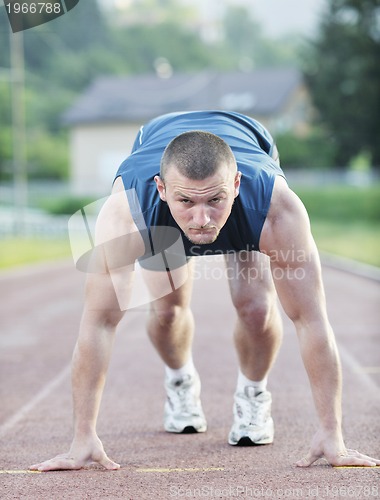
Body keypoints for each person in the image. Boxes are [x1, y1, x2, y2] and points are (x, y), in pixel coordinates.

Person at [30, 110, 379, 471]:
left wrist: (331, 432)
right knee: (168, 312)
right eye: (187, 202)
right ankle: (180, 382)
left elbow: (311, 319)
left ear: (237, 185)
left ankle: (253, 393)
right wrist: (82, 437)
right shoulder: (126, 215)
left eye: (215, 200)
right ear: (162, 189)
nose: (202, 219)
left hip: (249, 140)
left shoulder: (276, 209)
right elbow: (98, 323)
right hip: (156, 161)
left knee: (257, 308)